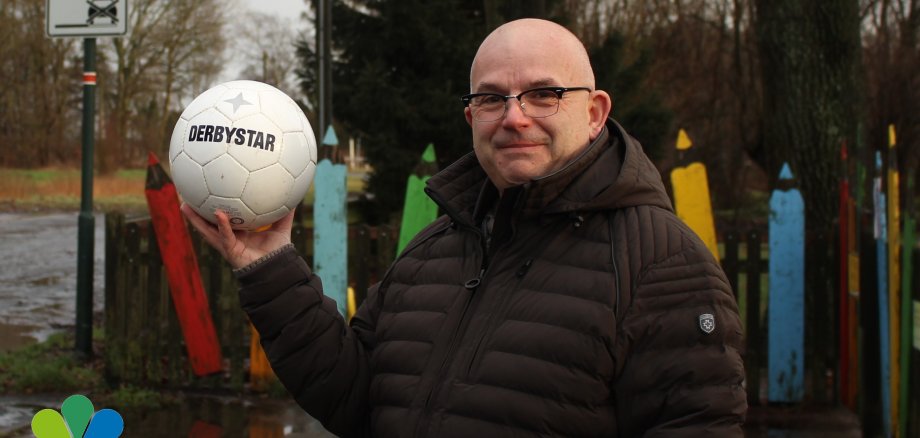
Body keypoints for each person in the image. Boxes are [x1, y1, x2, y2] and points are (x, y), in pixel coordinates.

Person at [182, 18, 746, 437]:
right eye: (492, 98)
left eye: (544, 94)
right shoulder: (436, 248)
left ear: (595, 112)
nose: (515, 116)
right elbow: (356, 401)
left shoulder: (662, 265)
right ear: (471, 117)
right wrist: (270, 264)